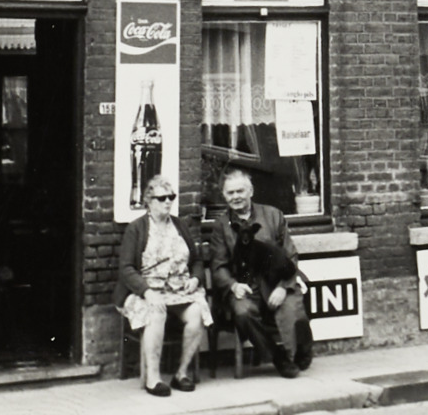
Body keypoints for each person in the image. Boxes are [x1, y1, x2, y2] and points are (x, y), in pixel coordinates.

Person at [210, 168, 311, 378]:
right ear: (224, 196)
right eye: (230, 193)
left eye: (240, 191)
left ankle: (300, 350)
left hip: (276, 282)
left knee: (293, 308)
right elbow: (218, 265)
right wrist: (233, 286)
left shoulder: (273, 215)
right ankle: (278, 358)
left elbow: (290, 255)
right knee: (243, 312)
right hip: (245, 287)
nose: (236, 197)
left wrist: (283, 287)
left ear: (251, 191)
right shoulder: (221, 226)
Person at [117, 176, 211, 396]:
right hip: (143, 292)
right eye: (162, 198)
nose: (168, 202)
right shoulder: (136, 228)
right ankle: (153, 378)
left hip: (178, 290)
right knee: (156, 311)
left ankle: (181, 373)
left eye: (171, 197)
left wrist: (195, 279)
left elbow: (196, 260)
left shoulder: (179, 225)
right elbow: (126, 268)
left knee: (197, 311)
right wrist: (147, 292)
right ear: (148, 201)